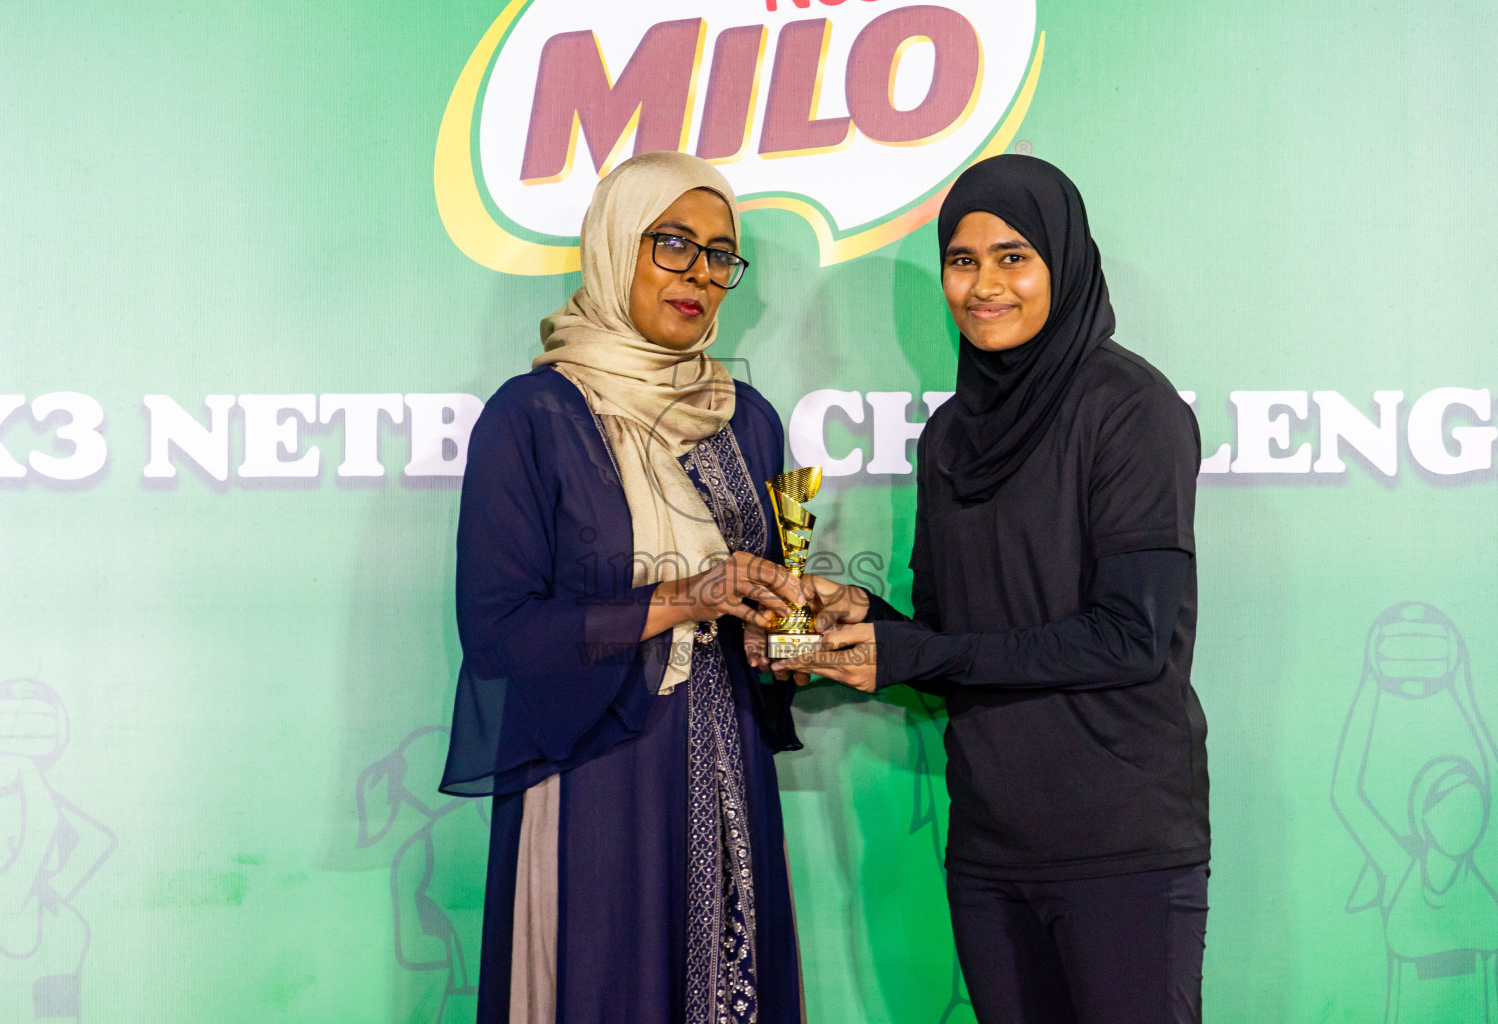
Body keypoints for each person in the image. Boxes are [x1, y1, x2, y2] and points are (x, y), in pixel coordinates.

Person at [775, 155, 1210, 1023]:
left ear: (1063, 263)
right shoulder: (947, 439)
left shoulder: (1131, 409)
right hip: (989, 847)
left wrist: (919, 647)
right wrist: (861, 623)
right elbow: (952, 644)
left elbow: (1131, 637)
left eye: (1014, 257)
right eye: (962, 260)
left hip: (1119, 842)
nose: (983, 286)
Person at [439, 151, 807, 1024]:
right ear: (613, 248)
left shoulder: (745, 419)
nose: (702, 276)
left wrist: (781, 636)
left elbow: (755, 606)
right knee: (604, 985)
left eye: (721, 254)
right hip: (596, 773)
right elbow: (500, 634)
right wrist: (689, 596)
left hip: (727, 772)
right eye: (672, 244)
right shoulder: (534, 416)